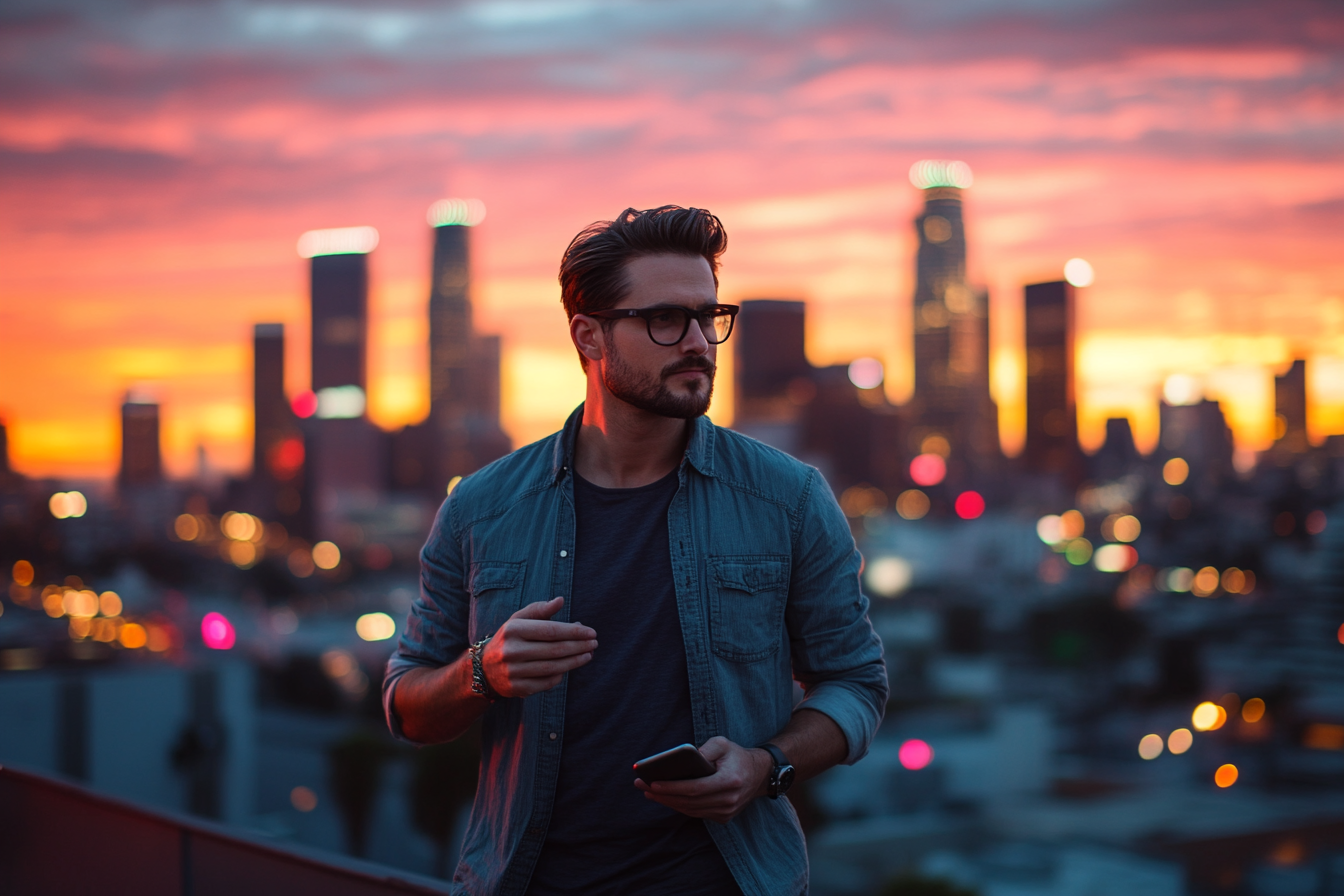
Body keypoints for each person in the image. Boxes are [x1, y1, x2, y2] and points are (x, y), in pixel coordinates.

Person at [384, 205, 888, 896]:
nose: (697, 342)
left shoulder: (789, 498)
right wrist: (482, 670)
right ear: (589, 335)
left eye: (708, 317)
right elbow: (407, 705)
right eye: (664, 319)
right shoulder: (481, 507)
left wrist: (766, 764)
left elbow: (857, 684)